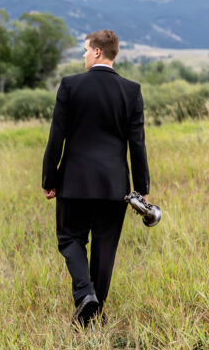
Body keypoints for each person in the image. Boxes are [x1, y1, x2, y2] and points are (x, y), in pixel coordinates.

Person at [41, 29, 150, 328]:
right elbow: (137, 144)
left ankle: (84, 295)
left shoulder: (70, 85)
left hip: (73, 183)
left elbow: (56, 138)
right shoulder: (131, 90)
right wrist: (141, 190)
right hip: (114, 186)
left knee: (69, 238)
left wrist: (49, 178)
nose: (84, 55)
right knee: (105, 249)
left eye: (86, 50)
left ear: (98, 52)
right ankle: (94, 313)